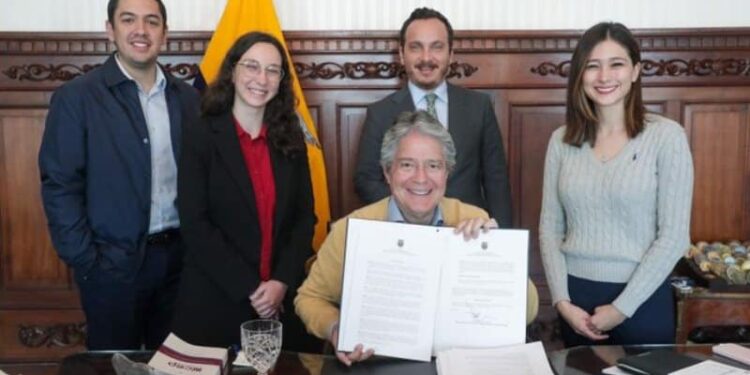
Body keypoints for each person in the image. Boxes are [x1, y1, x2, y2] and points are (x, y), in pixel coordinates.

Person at [297, 111, 539, 366]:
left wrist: (496, 254)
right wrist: (336, 329)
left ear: (447, 173)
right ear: (388, 172)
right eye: (407, 165)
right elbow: (309, 298)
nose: (421, 178)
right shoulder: (352, 229)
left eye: (433, 165)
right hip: (379, 364)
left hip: (455, 364)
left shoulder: (472, 219)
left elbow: (529, 311)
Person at [38, 0, 200, 350]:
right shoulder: (77, 98)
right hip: (110, 268)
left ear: (165, 34)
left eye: (151, 21)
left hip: (179, 264)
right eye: (128, 20)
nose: (140, 30)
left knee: (175, 366)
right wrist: (87, 262)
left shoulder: (187, 99)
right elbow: (60, 186)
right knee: (112, 366)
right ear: (110, 29)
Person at [539, 22, 694, 347]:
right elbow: (549, 229)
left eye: (616, 64)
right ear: (580, 75)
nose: (604, 76)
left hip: (644, 300)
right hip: (575, 303)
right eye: (592, 66)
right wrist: (561, 302)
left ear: (636, 71)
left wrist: (622, 308)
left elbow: (675, 237)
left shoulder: (666, 137)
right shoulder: (561, 141)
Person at [170, 31, 321, 352]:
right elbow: (196, 224)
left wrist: (280, 282)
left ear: (281, 80)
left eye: (272, 70)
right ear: (233, 70)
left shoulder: (291, 136)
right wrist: (252, 289)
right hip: (215, 301)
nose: (261, 78)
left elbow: (305, 218)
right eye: (252, 66)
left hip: (282, 303)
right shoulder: (201, 134)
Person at [354, 7, 512, 227]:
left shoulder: (479, 107)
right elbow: (366, 180)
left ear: (451, 53)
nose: (426, 58)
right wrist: (411, 210)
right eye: (416, 48)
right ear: (402, 54)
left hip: (467, 232)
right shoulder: (380, 113)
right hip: (403, 234)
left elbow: (497, 182)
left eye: (436, 47)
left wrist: (501, 238)